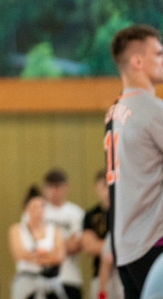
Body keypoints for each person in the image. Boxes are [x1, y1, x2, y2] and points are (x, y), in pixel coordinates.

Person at [104, 24, 163, 299]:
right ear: (137, 61)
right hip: (154, 243)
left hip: (125, 248)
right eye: (159, 54)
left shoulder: (114, 111)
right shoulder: (152, 109)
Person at [9, 186, 65, 299]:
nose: (38, 211)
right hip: (25, 279)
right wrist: (46, 255)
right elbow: (19, 254)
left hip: (49, 279)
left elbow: (59, 256)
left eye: (41, 207)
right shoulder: (17, 229)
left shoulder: (53, 230)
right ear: (26, 209)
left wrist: (33, 255)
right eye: (34, 207)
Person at [41, 169, 85, 299]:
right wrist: (63, 243)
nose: (55, 191)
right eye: (51, 187)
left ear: (65, 187)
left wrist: (49, 244)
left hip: (69, 277)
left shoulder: (76, 213)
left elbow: (76, 246)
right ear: (44, 189)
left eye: (58, 187)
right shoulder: (38, 212)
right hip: (41, 279)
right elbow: (33, 245)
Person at [81, 170, 121, 299]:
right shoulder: (91, 215)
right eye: (104, 185)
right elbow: (88, 246)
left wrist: (104, 246)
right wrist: (114, 245)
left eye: (111, 185)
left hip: (122, 273)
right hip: (100, 276)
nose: (108, 190)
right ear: (96, 188)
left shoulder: (122, 212)